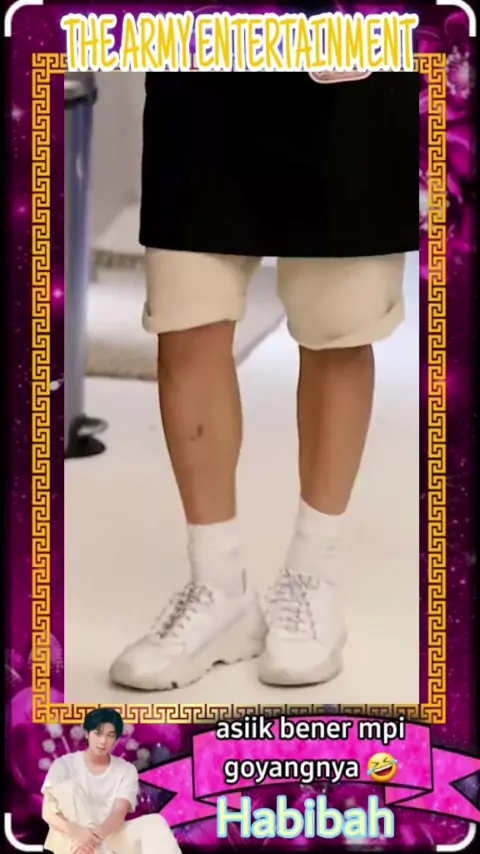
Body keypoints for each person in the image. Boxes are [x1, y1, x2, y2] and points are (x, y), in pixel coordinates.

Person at [109, 68, 419, 691]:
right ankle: (217, 587)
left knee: (338, 322)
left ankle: (312, 575)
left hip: (348, 59)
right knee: (185, 310)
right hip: (205, 51)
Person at [41, 708, 180, 854]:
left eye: (110, 735)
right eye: (98, 733)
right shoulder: (63, 765)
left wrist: (94, 837)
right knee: (69, 788)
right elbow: (48, 813)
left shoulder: (126, 770)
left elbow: (118, 813)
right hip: (70, 837)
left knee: (155, 822)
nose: (103, 741)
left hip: (107, 834)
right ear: (87, 733)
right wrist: (78, 833)